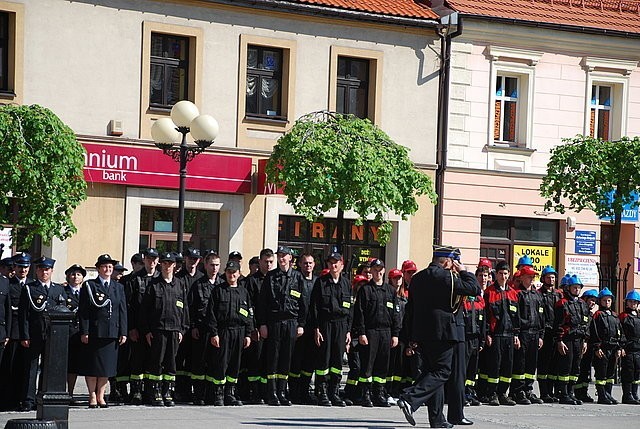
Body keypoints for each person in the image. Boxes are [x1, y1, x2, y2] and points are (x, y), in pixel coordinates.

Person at [398, 245, 480, 428]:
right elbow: (474, 288)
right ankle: (410, 399)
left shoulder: (418, 277)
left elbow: (410, 308)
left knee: (431, 373)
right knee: (442, 371)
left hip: (421, 333)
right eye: (453, 262)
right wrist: (465, 271)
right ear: (448, 261)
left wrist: (410, 335)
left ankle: (437, 420)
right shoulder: (447, 276)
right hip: (442, 333)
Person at [256, 245, 307, 406]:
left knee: (286, 358)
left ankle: (282, 392)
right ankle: (272, 393)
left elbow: (304, 303)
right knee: (273, 358)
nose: (282, 258)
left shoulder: (298, 278)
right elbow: (262, 303)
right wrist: (262, 324)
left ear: (291, 258)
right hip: (274, 322)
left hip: (291, 322)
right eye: (280, 256)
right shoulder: (271, 277)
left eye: (285, 255)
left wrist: (301, 324)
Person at [140, 252, 189, 407]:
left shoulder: (180, 284)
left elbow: (184, 309)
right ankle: (156, 392)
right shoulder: (153, 285)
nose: (167, 266)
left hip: (174, 330)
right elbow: (144, 311)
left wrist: (182, 330)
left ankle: (168, 392)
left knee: (171, 363)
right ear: (161, 264)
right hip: (158, 330)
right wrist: (147, 330)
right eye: (165, 263)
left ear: (175, 266)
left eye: (170, 263)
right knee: (156, 362)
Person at [18, 256, 67, 412]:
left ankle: (44, 396)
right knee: (31, 369)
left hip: (53, 336)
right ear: (36, 271)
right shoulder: (29, 288)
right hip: (34, 335)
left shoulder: (58, 289)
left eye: (46, 269)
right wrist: (25, 335)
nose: (43, 272)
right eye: (40, 269)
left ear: (51, 271)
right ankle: (28, 400)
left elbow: (64, 312)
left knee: (49, 369)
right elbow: (23, 315)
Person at [78, 254, 127, 408]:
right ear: (98, 269)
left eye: (110, 267)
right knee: (93, 366)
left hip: (112, 332)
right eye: (104, 267)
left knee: (106, 366)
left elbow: (122, 310)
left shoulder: (118, 287)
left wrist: (123, 332)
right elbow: (84, 311)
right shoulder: (90, 286)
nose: (107, 269)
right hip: (95, 332)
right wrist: (84, 331)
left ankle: (101, 396)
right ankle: (92, 395)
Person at [352, 258, 400, 408]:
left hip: (386, 332)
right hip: (370, 331)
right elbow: (359, 314)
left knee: (382, 364)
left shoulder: (390, 291)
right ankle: (365, 394)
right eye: (375, 270)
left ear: (384, 271)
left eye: (380, 270)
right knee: (368, 364)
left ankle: (379, 394)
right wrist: (361, 333)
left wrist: (395, 334)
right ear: (371, 272)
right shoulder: (365, 290)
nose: (378, 272)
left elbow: (396, 315)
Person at [205, 260, 253, 406]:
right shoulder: (218, 290)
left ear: (239, 274)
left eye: (234, 272)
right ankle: (218, 394)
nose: (231, 275)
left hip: (239, 332)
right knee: (221, 363)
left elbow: (249, 314)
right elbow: (211, 314)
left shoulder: (244, 292)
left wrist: (248, 334)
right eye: (229, 272)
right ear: (225, 273)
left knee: (235, 364)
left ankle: (230, 393)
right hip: (223, 331)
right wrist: (214, 333)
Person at [309, 252, 353, 407]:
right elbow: (314, 308)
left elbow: (350, 309)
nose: (333, 265)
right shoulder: (321, 282)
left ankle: (334, 392)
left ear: (342, 265)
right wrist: (316, 328)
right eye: (331, 262)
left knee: (337, 361)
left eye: (336, 262)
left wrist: (348, 330)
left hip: (341, 325)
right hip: (325, 324)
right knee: (324, 360)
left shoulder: (347, 283)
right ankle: (322, 393)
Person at [480, 260, 519, 406]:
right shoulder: (489, 293)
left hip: (509, 335)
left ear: (509, 275)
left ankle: (503, 393)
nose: (503, 276)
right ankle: (492, 394)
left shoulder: (513, 293)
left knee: (507, 366)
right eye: (500, 273)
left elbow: (516, 317)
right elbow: (484, 316)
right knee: (494, 366)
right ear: (496, 274)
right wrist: (487, 334)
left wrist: (516, 335)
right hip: (495, 335)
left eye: (505, 274)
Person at [124, 248, 160, 404]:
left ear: (157, 261)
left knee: (155, 361)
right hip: (138, 328)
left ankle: (151, 391)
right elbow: (129, 306)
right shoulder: (135, 279)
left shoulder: (161, 277)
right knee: (138, 360)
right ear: (144, 260)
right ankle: (136, 391)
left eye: (154, 259)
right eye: (149, 259)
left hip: (157, 328)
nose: (151, 262)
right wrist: (131, 328)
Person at [188, 250, 223, 405]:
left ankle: (212, 394)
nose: (214, 268)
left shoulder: (223, 284)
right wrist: (193, 326)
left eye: (217, 265)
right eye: (211, 265)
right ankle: (199, 395)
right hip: (201, 329)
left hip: (218, 331)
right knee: (200, 363)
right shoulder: (198, 284)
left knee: (216, 363)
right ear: (206, 265)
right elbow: (191, 307)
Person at [241, 248, 275, 404]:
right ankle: (254, 392)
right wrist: (253, 328)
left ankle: (267, 392)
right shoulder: (251, 281)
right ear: (259, 261)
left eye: (270, 262)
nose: (268, 265)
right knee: (256, 361)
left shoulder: (275, 279)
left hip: (273, 327)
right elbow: (248, 306)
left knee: (269, 361)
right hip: (257, 328)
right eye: (265, 262)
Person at [553, 274, 590, 405]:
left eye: (579, 288)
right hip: (567, 339)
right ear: (568, 288)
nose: (577, 290)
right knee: (565, 366)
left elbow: (586, 323)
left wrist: (585, 340)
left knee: (575, 367)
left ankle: (570, 392)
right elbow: (558, 324)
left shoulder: (582, 304)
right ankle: (563, 394)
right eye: (574, 287)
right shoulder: (562, 303)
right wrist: (559, 341)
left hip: (579, 340)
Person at [509, 265, 544, 405]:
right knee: (520, 363)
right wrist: (516, 334)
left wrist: (541, 335)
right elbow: (514, 316)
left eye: (533, 277)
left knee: (531, 364)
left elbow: (542, 316)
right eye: (529, 277)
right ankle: (517, 391)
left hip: (535, 333)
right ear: (522, 277)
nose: (531, 279)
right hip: (523, 332)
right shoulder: (518, 294)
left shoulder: (536, 295)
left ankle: (528, 389)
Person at [0, 252, 30, 411]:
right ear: (15, 268)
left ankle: (24, 399)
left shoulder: (32, 284)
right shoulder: (8, 284)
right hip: (12, 332)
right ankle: (8, 400)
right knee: (9, 368)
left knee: (26, 369)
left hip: (28, 334)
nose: (22, 270)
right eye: (19, 267)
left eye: (25, 267)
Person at [175, 247, 204, 403]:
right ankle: (180, 390)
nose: (193, 261)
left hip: (196, 327)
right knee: (180, 359)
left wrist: (195, 326)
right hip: (181, 325)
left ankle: (193, 390)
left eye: (196, 259)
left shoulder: (202, 278)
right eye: (191, 258)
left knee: (194, 360)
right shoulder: (178, 277)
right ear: (185, 259)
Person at [289, 253, 318, 405]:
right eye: (305, 263)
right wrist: (298, 324)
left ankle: (305, 391)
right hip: (298, 327)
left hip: (312, 328)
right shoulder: (295, 280)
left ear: (314, 265)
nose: (308, 266)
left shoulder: (318, 282)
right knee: (296, 361)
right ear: (300, 264)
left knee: (309, 362)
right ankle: (293, 392)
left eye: (310, 263)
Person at [590, 287, 624, 405]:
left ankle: (608, 393)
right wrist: (597, 347)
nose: (607, 303)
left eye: (609, 300)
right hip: (603, 348)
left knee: (610, 374)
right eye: (604, 300)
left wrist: (619, 347)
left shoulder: (615, 316)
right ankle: (601, 395)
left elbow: (620, 332)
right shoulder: (597, 315)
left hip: (613, 348)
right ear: (600, 301)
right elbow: (594, 332)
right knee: (601, 373)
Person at [536, 265, 562, 403]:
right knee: (543, 363)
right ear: (543, 278)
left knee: (554, 364)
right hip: (545, 332)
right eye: (548, 277)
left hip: (555, 332)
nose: (551, 280)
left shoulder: (558, 294)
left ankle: (552, 392)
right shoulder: (539, 294)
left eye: (553, 277)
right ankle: (544, 392)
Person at [462, 265, 488, 406]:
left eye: (485, 276)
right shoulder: (464, 297)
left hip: (476, 338)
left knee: (473, 368)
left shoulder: (480, 299)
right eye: (480, 276)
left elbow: (483, 320)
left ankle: (470, 391)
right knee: (464, 367)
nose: (483, 279)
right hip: (465, 337)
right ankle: (462, 393)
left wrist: (482, 340)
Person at [343, 274, 369, 405]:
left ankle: (360, 393)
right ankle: (349, 392)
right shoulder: (350, 302)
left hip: (364, 338)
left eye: (364, 285)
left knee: (364, 368)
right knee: (355, 367)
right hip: (352, 338)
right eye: (360, 285)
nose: (362, 287)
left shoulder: (366, 302)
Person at [64, 264, 86, 404]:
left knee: (75, 365)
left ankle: (71, 393)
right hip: (66, 332)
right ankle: (64, 393)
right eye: (72, 274)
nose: (75, 277)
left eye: (78, 274)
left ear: (83, 277)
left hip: (81, 332)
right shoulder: (63, 291)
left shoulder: (86, 292)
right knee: (66, 364)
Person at [574, 288, 598, 403]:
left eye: (594, 301)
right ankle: (577, 392)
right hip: (580, 343)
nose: (592, 303)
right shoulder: (580, 311)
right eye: (591, 300)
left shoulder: (591, 314)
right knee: (578, 368)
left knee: (586, 370)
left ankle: (584, 392)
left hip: (589, 346)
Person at [619, 290, 640, 404]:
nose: (633, 304)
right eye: (631, 302)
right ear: (626, 303)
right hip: (628, 349)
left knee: (637, 372)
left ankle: (635, 394)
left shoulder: (639, 316)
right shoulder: (623, 316)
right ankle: (627, 395)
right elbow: (621, 333)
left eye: (635, 302)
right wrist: (621, 347)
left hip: (638, 349)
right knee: (628, 372)